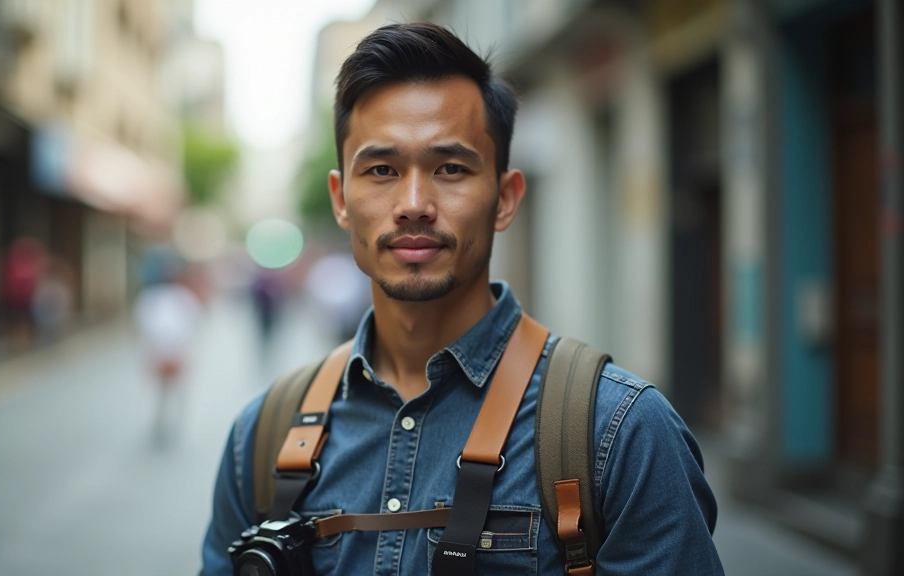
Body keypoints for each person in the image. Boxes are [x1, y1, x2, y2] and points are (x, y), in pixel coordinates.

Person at [200, 23, 724, 575]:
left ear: (505, 198)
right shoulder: (261, 436)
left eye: (450, 168)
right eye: (381, 170)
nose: (414, 203)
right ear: (340, 201)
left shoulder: (621, 433)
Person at [133, 262, 203, 446]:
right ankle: (163, 421)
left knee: (165, 389)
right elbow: (194, 322)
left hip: (166, 350)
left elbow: (143, 324)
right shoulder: (178, 296)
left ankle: (164, 421)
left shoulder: (154, 297)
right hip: (168, 350)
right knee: (167, 390)